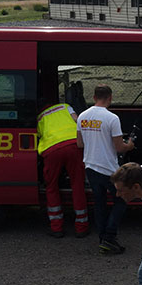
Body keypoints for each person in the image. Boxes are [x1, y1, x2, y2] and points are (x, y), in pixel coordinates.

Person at [77, 85, 135, 255]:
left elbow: (79, 143)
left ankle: (103, 239)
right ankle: (109, 236)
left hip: (90, 166)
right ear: (110, 97)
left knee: (99, 203)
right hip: (109, 169)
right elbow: (119, 147)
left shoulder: (82, 116)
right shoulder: (112, 118)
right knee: (122, 200)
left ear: (94, 97)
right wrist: (129, 145)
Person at [36, 101, 89, 238]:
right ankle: (81, 227)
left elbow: (40, 135)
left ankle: (56, 227)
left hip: (51, 150)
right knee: (77, 185)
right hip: (73, 145)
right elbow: (78, 120)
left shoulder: (40, 117)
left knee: (51, 187)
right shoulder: (65, 107)